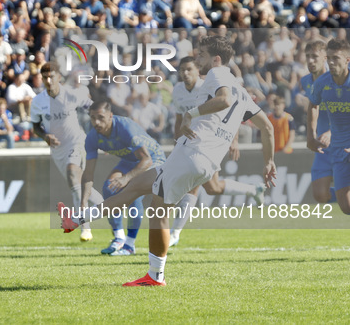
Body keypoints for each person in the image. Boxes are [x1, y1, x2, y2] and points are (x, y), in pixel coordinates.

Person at [59, 36, 277, 286]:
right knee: (136, 187)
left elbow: (224, 100)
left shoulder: (218, 74)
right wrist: (269, 161)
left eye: (202, 55)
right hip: (205, 162)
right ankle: (76, 219)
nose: (198, 59)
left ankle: (155, 276)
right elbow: (267, 128)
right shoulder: (243, 93)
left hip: (193, 153)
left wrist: (190, 114)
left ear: (217, 59)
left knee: (157, 210)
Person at [168, 57, 266, 247]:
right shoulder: (178, 90)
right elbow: (180, 118)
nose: (185, 73)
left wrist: (234, 139)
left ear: (198, 70)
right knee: (212, 188)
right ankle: (254, 189)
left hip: (210, 141)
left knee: (192, 185)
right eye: (182, 70)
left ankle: (175, 233)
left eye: (189, 69)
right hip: (189, 141)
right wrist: (176, 141)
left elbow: (229, 110)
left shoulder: (209, 86)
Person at [30, 63, 103, 242]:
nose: (48, 80)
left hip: (77, 142)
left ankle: (84, 227)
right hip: (58, 150)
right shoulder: (38, 102)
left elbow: (94, 108)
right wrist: (45, 136)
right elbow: (35, 127)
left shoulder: (71, 94)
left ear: (59, 77)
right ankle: (105, 206)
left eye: (51, 76)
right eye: (45, 77)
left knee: (73, 174)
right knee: (78, 186)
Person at [83, 100, 167, 255]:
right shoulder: (92, 137)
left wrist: (126, 178)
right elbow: (88, 173)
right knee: (109, 188)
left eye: (100, 117)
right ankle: (119, 238)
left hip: (153, 159)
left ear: (110, 116)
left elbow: (146, 159)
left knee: (132, 193)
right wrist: (83, 204)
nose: (96, 122)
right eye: (93, 118)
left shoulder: (125, 128)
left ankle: (130, 244)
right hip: (131, 161)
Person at [307, 39, 350, 215]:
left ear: (347, 59)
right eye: (329, 58)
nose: (331, 63)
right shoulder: (322, 83)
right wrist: (311, 136)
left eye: (336, 58)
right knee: (346, 207)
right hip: (338, 150)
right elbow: (313, 105)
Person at [300, 40, 334, 204]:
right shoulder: (306, 81)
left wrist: (331, 132)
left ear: (325, 58)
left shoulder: (338, 80)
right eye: (307, 56)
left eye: (315, 56)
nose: (310, 60)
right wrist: (311, 137)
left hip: (343, 142)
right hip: (323, 147)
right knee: (320, 195)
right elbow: (312, 108)